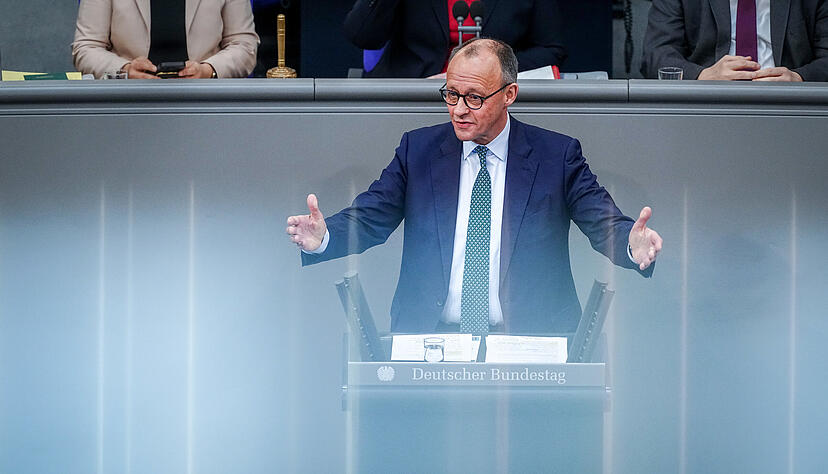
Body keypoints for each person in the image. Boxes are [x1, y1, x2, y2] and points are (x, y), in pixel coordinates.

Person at [287, 38, 662, 335]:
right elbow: (370, 217)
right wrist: (324, 235)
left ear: (509, 95)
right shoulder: (417, 151)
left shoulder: (556, 155)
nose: (459, 109)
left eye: (474, 98)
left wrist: (633, 242)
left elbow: (602, 221)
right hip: (432, 339)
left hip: (530, 343)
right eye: (451, 94)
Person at [343, 0, 566, 78]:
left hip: (494, 101)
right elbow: (362, 36)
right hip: (413, 97)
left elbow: (550, 49)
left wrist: (490, 70)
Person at [640, 0, 828, 81]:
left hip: (792, 110)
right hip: (706, 108)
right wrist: (701, 76)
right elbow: (656, 55)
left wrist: (800, 78)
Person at [72, 0, 259, 79]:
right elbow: (86, 47)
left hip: (205, 102)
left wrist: (207, 70)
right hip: (127, 104)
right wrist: (125, 70)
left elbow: (243, 45)